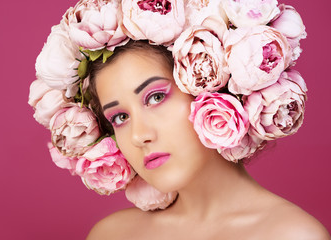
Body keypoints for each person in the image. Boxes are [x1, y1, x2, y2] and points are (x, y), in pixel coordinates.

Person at [28, 0, 330, 239]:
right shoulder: (111, 235)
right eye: (119, 117)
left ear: (212, 87)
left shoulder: (293, 235)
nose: (139, 135)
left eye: (156, 97)